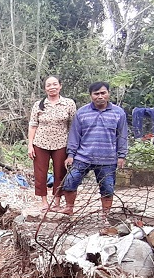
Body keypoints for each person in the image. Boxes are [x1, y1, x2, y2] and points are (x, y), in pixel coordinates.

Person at [60, 81, 128, 222]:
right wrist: (70, 155)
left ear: (108, 94)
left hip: (108, 159)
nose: (100, 96)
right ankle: (69, 208)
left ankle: (105, 215)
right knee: (70, 182)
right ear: (91, 95)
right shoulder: (82, 113)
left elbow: (122, 135)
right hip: (83, 156)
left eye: (103, 93)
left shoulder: (118, 113)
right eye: (96, 94)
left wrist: (121, 155)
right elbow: (74, 135)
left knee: (108, 188)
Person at [27, 76, 76, 212]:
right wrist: (30, 145)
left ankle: (57, 201)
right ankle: (44, 201)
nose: (52, 87)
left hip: (61, 143)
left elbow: (73, 126)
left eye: (55, 84)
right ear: (45, 88)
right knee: (40, 173)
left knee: (60, 172)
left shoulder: (69, 103)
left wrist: (72, 147)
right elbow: (33, 125)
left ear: (60, 86)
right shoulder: (39, 104)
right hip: (40, 143)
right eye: (48, 85)